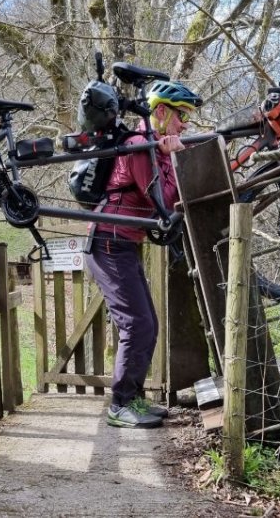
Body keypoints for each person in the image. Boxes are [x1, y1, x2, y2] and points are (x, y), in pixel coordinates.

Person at [84, 81, 204, 428]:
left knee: (146, 324)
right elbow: (163, 201)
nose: (185, 125)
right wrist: (175, 156)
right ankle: (120, 404)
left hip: (123, 243)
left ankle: (133, 398)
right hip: (109, 242)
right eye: (182, 116)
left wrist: (168, 155)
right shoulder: (140, 145)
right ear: (162, 112)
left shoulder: (152, 147)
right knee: (136, 325)